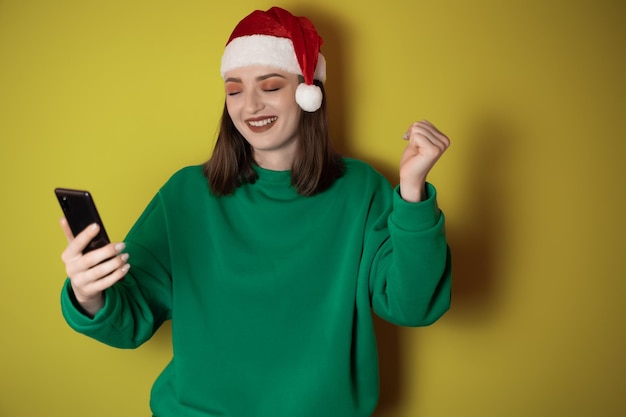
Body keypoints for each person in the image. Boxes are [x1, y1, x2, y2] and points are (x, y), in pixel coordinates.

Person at [59, 6, 452, 417]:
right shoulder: (185, 194)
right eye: (234, 90)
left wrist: (412, 193)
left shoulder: (360, 190)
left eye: (270, 86)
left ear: (308, 92)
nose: (250, 106)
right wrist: (89, 294)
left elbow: (414, 306)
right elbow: (130, 320)